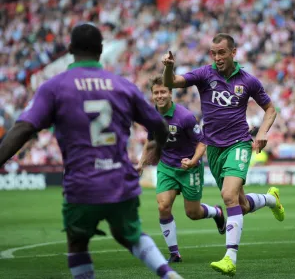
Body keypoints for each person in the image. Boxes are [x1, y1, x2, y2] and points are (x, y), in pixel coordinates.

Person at [0, 23, 183, 279]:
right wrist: (159, 148)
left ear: (70, 49)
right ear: (101, 50)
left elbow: (23, 128)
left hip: (81, 183)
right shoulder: (122, 85)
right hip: (120, 180)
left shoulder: (54, 87)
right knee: (130, 234)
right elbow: (159, 126)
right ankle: (167, 274)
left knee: (77, 243)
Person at [161, 33, 285, 276]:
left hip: (238, 144)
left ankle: (230, 258)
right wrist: (169, 68)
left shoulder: (248, 81)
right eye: (213, 53)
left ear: (233, 52)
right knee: (240, 204)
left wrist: (262, 132)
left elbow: (270, 109)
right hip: (214, 148)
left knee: (228, 196)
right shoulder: (204, 75)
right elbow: (171, 83)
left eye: (221, 52)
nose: (217, 57)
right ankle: (271, 199)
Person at [137, 76, 226, 263]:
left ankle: (216, 212)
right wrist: (141, 162)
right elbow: (151, 140)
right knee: (163, 206)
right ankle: (174, 253)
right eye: (156, 92)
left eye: (163, 92)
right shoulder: (151, 115)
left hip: (189, 168)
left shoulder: (184, 117)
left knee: (193, 214)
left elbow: (202, 142)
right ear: (152, 95)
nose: (159, 95)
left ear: (170, 93)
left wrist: (193, 161)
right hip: (167, 166)